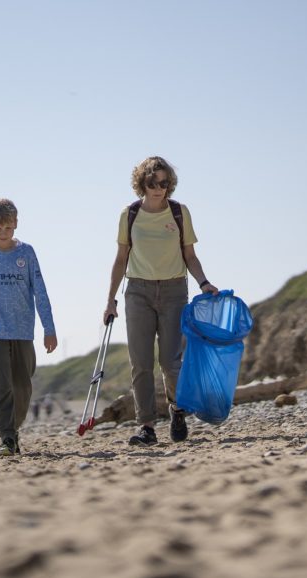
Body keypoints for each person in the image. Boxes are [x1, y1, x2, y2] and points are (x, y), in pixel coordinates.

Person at [103, 157, 218, 447]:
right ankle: (146, 427)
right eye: (152, 183)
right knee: (140, 363)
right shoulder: (129, 214)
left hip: (174, 291)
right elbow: (120, 259)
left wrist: (204, 282)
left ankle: (177, 410)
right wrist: (110, 300)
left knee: (170, 362)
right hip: (138, 292)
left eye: (164, 183)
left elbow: (190, 255)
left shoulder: (179, 212)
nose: (158, 189)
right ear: (142, 184)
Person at [0, 198, 58, 457]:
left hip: (22, 330)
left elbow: (40, 292)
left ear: (16, 224)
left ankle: (14, 428)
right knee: (1, 387)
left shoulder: (26, 253)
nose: (3, 233)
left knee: (22, 386)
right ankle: (7, 437)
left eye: (8, 228)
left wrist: (49, 328)